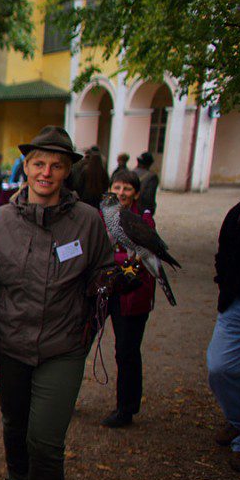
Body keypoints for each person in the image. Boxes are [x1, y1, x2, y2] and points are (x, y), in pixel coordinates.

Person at [0, 125, 112, 480]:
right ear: (26, 167)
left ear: (68, 170)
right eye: (38, 163)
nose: (46, 172)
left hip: (62, 347)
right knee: (14, 423)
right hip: (10, 344)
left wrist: (110, 284)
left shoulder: (88, 222)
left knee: (46, 441)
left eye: (56, 164)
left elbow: (105, 270)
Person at [101, 172, 156, 428]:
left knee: (126, 351)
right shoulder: (102, 216)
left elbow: (144, 258)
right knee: (75, 343)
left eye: (127, 188)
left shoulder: (142, 220)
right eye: (117, 187)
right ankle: (62, 399)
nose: (121, 192)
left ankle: (126, 409)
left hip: (132, 297)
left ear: (135, 193)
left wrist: (110, 262)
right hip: (104, 292)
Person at [207, 198, 240, 473]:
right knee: (220, 367)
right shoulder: (238, 213)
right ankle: (238, 420)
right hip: (237, 303)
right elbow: (224, 254)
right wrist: (227, 283)